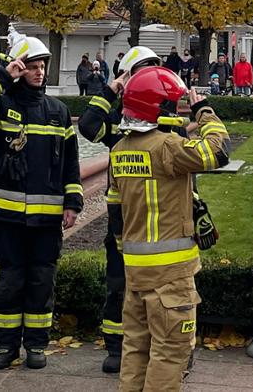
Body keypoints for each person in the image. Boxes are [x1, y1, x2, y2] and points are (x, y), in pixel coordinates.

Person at [0, 35, 82, 371]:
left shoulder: (58, 112)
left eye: (42, 66)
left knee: (41, 284)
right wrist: (3, 75)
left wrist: (72, 202)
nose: (39, 71)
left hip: (46, 221)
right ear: (19, 69)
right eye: (31, 66)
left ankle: (35, 346)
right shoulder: (1, 105)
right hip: (7, 220)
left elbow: (71, 164)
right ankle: (5, 346)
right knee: (9, 284)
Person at [113, 67, 231, 392]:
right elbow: (218, 150)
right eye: (174, 105)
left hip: (136, 274)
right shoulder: (167, 147)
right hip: (170, 277)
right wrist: (203, 110)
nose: (178, 111)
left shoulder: (119, 150)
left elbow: (120, 210)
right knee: (170, 354)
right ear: (159, 108)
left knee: (135, 352)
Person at [78, 45, 163, 374]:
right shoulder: (117, 119)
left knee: (159, 287)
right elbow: (88, 127)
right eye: (138, 71)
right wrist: (110, 89)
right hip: (122, 219)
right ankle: (116, 346)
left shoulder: (164, 113)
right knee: (118, 285)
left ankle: (156, 346)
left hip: (161, 217)